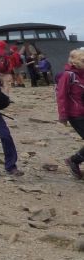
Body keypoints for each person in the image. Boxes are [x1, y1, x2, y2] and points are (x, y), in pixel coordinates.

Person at [55, 49, 84, 179]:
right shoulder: (68, 75)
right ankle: (74, 160)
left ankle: (74, 160)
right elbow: (61, 96)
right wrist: (63, 116)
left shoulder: (82, 74)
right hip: (75, 114)